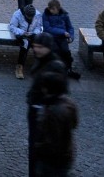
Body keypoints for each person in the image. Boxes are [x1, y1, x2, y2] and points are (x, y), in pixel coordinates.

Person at [26, 32, 68, 177]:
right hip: (36, 109)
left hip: (46, 113)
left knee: (42, 148)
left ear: (48, 47)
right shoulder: (41, 59)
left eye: (40, 47)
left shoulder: (55, 65)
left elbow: (62, 92)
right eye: (35, 46)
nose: (36, 49)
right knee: (34, 148)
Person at [33, 72, 78, 177]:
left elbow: (52, 141)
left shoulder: (54, 111)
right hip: (66, 154)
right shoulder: (69, 103)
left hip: (53, 159)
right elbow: (74, 124)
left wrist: (38, 147)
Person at [42, 0, 81, 80]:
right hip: (51, 37)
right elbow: (48, 28)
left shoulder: (64, 15)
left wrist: (71, 36)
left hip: (62, 37)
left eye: (53, 9)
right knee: (56, 51)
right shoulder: (46, 15)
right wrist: (63, 32)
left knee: (66, 52)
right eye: (50, 9)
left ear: (58, 8)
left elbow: (70, 27)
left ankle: (68, 69)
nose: (51, 11)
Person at [9, 4, 43, 79]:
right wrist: (22, 32)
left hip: (32, 34)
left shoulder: (37, 15)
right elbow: (12, 27)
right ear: (25, 14)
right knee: (25, 45)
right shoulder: (17, 14)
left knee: (37, 45)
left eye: (32, 17)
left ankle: (39, 66)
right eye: (28, 17)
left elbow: (38, 27)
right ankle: (19, 67)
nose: (30, 19)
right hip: (20, 34)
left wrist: (34, 33)